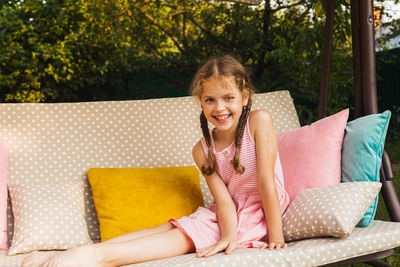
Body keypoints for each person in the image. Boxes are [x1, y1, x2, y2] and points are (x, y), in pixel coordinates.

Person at [21, 55, 290, 267]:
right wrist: (227, 232)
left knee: (184, 236)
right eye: (210, 100)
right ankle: (82, 252)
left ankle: (98, 259)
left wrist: (275, 237)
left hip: (260, 213)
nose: (219, 108)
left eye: (228, 98)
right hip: (228, 211)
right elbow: (223, 200)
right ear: (201, 102)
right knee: (173, 225)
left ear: (244, 98)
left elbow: (266, 182)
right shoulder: (201, 149)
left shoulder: (259, 121)